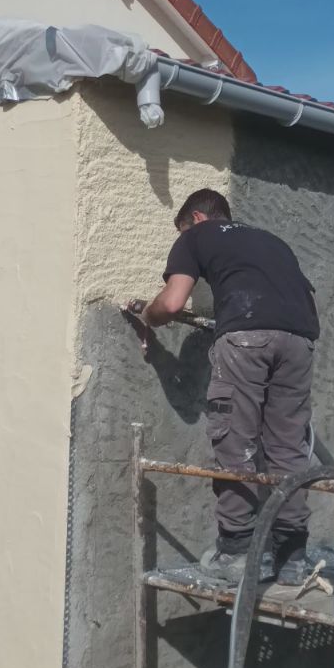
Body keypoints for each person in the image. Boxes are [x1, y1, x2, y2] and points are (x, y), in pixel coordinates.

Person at [128, 188, 319, 583]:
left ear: (197, 219)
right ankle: (292, 557)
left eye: (181, 231)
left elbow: (174, 302)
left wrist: (147, 313)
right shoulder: (271, 241)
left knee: (235, 441)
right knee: (287, 446)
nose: (182, 239)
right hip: (300, 342)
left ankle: (235, 552)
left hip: (247, 339)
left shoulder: (197, 235)